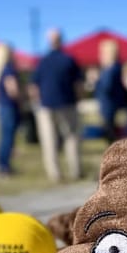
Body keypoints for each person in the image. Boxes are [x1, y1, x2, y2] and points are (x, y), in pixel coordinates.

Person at [30, 28, 84, 182]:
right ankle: (76, 171)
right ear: (61, 40)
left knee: (49, 140)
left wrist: (37, 101)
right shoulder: (69, 60)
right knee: (71, 138)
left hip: (46, 106)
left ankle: (55, 174)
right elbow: (78, 84)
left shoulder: (42, 61)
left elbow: (34, 86)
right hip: (68, 104)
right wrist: (79, 100)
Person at [0, 42, 21, 178]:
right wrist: (20, 97)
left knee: (3, 137)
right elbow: (13, 89)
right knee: (8, 137)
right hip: (10, 107)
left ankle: (0, 164)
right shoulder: (9, 69)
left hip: (1, 106)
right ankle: (4, 167)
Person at [95, 39, 127, 143]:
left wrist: (96, 82)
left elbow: (107, 87)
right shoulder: (119, 67)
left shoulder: (111, 69)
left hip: (111, 107)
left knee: (112, 136)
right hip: (116, 106)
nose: (100, 55)